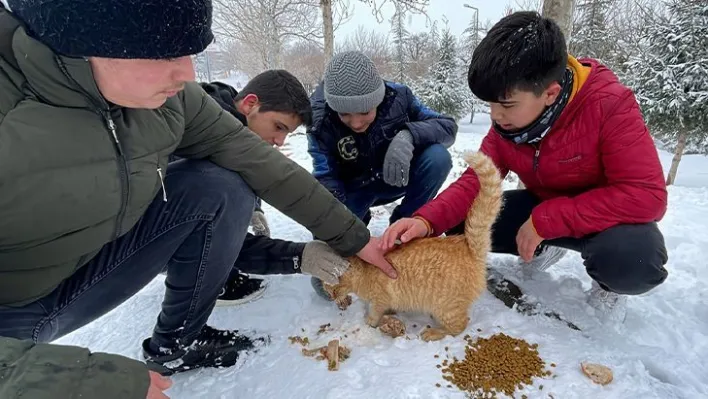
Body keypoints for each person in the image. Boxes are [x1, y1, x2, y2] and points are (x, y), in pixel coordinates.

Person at [0, 1, 395, 398]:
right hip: (14, 317)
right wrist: (86, 382)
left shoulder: (173, 101)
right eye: (165, 50)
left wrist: (353, 237)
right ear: (88, 35)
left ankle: (178, 342)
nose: (187, 72)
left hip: (93, 265)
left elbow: (258, 161)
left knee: (218, 186)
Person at [380, 11, 669, 323]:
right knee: (463, 222)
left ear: (550, 94)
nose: (495, 116)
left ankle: (608, 285)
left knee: (633, 260)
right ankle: (544, 247)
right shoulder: (509, 125)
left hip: (604, 218)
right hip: (542, 205)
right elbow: (477, 181)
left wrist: (547, 221)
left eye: (505, 105)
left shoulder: (609, 105)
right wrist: (425, 221)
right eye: (489, 104)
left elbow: (646, 195)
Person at [198, 70, 328, 306]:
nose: (280, 141)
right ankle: (201, 293)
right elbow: (205, 237)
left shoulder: (233, 123)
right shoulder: (202, 135)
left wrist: (254, 208)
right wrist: (298, 257)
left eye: (287, 133)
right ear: (250, 104)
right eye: (279, 127)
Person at [307, 50, 458, 227]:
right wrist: (344, 225)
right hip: (353, 190)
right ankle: (359, 220)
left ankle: (407, 221)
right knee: (329, 236)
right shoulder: (318, 120)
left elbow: (447, 126)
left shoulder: (398, 97)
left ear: (378, 100)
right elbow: (326, 178)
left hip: (395, 179)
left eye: (365, 112)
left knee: (438, 157)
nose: (356, 123)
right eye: (344, 114)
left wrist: (408, 135)